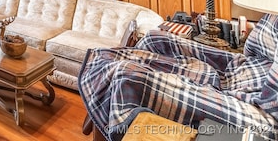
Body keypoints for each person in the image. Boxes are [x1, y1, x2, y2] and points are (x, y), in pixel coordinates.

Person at [79, 14, 278, 141]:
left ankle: (113, 114)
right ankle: (110, 107)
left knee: (127, 75)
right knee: (152, 38)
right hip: (251, 67)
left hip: (262, 106)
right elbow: (252, 49)